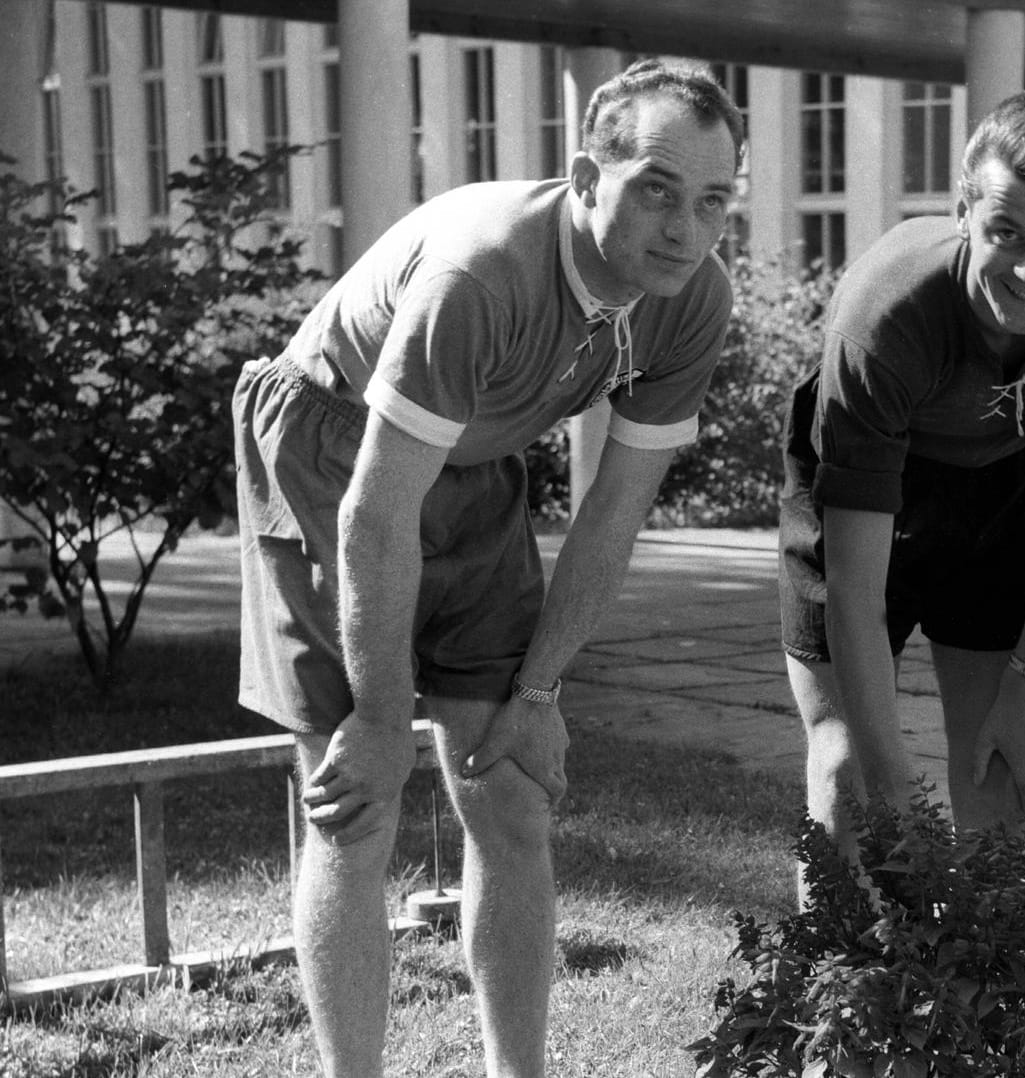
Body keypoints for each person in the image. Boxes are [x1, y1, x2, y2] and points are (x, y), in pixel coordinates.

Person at [232, 60, 742, 1078]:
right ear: (586, 175)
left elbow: (611, 515)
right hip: (329, 441)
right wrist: (381, 718)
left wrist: (541, 689)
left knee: (510, 788)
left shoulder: (691, 298)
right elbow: (377, 513)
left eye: (713, 200)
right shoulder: (482, 274)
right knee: (355, 793)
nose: (685, 227)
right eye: (656, 187)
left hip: (472, 454)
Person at [779, 88, 1025, 859]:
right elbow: (856, 591)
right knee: (852, 768)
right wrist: (895, 793)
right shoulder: (885, 318)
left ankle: (979, 980)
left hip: (1005, 485)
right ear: (963, 210)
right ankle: (846, 975)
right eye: (1005, 232)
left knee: (1002, 775)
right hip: (864, 491)